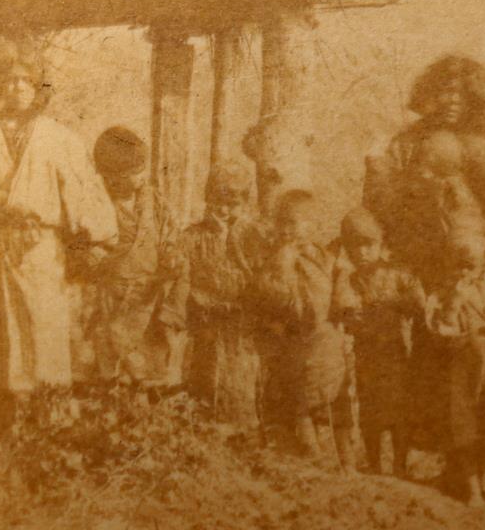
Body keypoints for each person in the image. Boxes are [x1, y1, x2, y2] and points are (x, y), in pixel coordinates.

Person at [363, 56, 485, 461]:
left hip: (473, 266)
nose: (452, 100)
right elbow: (380, 197)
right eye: (444, 91)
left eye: (461, 92)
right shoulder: (409, 142)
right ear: (429, 94)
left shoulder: (482, 145)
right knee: (431, 352)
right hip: (424, 261)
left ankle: (482, 457)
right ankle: (449, 457)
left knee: (476, 353)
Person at [0, 39, 117, 436]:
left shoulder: (58, 137)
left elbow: (82, 194)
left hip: (40, 250)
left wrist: (94, 238)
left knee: (44, 334)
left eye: (26, 81)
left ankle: (51, 430)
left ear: (38, 87)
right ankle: (3, 429)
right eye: (8, 80)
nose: (17, 88)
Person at [160, 160, 268, 431]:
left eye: (233, 205)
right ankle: (202, 432)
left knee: (239, 380)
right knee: (204, 377)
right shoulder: (194, 236)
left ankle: (242, 434)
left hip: (241, 327)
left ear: (244, 204)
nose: (224, 211)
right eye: (218, 203)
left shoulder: (253, 237)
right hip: (205, 324)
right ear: (208, 200)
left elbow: (263, 276)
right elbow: (179, 271)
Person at [255, 189, 355, 468]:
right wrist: (283, 264)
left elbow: (343, 283)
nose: (287, 230)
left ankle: (348, 460)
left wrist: (344, 306)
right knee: (302, 395)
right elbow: (271, 293)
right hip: (297, 335)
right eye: (282, 223)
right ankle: (313, 452)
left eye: (294, 223)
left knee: (338, 394)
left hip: (328, 335)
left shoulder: (328, 256)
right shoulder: (277, 258)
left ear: (312, 225)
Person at [336, 207, 428, 476]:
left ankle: (399, 464)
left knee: (399, 410)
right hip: (366, 353)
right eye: (355, 247)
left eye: (368, 245)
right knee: (370, 410)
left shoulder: (398, 273)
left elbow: (419, 303)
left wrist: (392, 303)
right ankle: (375, 464)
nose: (362, 253)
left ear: (381, 244)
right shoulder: (350, 280)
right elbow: (344, 312)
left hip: (396, 351)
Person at [86, 126, 178, 388]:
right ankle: (110, 396)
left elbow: (169, 232)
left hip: (147, 290)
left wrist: (169, 253)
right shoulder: (98, 203)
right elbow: (86, 244)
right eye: (130, 174)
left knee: (147, 348)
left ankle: (144, 398)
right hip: (111, 288)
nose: (139, 179)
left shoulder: (154, 200)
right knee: (109, 342)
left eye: (141, 171)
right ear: (108, 177)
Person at [431, 236, 485, 510]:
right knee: (467, 428)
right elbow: (442, 330)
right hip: (464, 369)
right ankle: (475, 492)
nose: (466, 272)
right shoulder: (444, 295)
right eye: (461, 266)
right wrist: (455, 300)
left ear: (482, 265)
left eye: (472, 266)